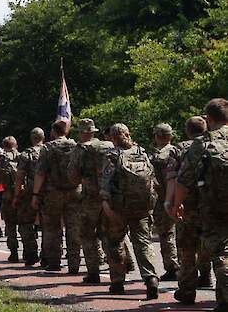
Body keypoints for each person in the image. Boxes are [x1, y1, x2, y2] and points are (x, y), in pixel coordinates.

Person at [172, 98, 228, 312]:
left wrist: (175, 204)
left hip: (215, 208)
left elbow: (184, 180)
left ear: (209, 118)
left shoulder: (203, 143)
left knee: (221, 255)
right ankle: (223, 304)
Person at [101, 123, 161, 299]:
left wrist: (106, 204)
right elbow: (153, 180)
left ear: (112, 137)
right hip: (142, 206)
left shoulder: (112, 155)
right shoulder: (141, 152)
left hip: (119, 207)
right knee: (143, 242)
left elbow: (106, 181)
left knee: (114, 242)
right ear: (128, 134)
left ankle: (118, 282)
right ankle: (151, 279)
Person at [165, 116, 211, 304]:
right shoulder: (213, 145)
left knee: (187, 248)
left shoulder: (179, 149)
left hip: (187, 205)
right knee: (210, 243)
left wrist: (171, 202)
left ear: (187, 130)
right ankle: (207, 276)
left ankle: (187, 290)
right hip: (211, 203)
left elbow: (173, 178)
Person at [32, 120, 82, 273]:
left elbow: (40, 173)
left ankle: (54, 262)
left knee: (52, 228)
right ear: (66, 132)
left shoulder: (48, 148)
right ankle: (74, 263)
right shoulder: (76, 146)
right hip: (74, 191)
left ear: (53, 132)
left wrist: (35, 194)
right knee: (74, 227)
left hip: (53, 193)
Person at [67, 118, 111, 283]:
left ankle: (93, 273)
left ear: (80, 132)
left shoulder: (81, 149)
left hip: (90, 198)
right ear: (93, 131)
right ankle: (117, 273)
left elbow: (72, 176)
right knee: (110, 234)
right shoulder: (109, 146)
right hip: (110, 197)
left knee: (87, 234)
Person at [148, 123, 181, 281]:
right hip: (181, 196)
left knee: (166, 234)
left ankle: (172, 266)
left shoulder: (157, 156)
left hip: (163, 198)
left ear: (157, 136)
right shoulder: (178, 150)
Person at [14, 128, 45, 266]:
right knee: (50, 225)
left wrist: (16, 195)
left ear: (32, 138)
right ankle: (48, 255)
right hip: (50, 190)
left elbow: (19, 177)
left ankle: (31, 253)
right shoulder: (49, 150)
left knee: (25, 222)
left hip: (31, 190)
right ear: (43, 137)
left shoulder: (26, 154)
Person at [0, 137, 21, 261]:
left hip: (8, 193)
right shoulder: (22, 156)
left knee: (10, 224)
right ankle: (30, 253)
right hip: (24, 193)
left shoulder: (1, 160)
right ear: (16, 145)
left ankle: (14, 252)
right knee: (26, 224)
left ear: (4, 146)